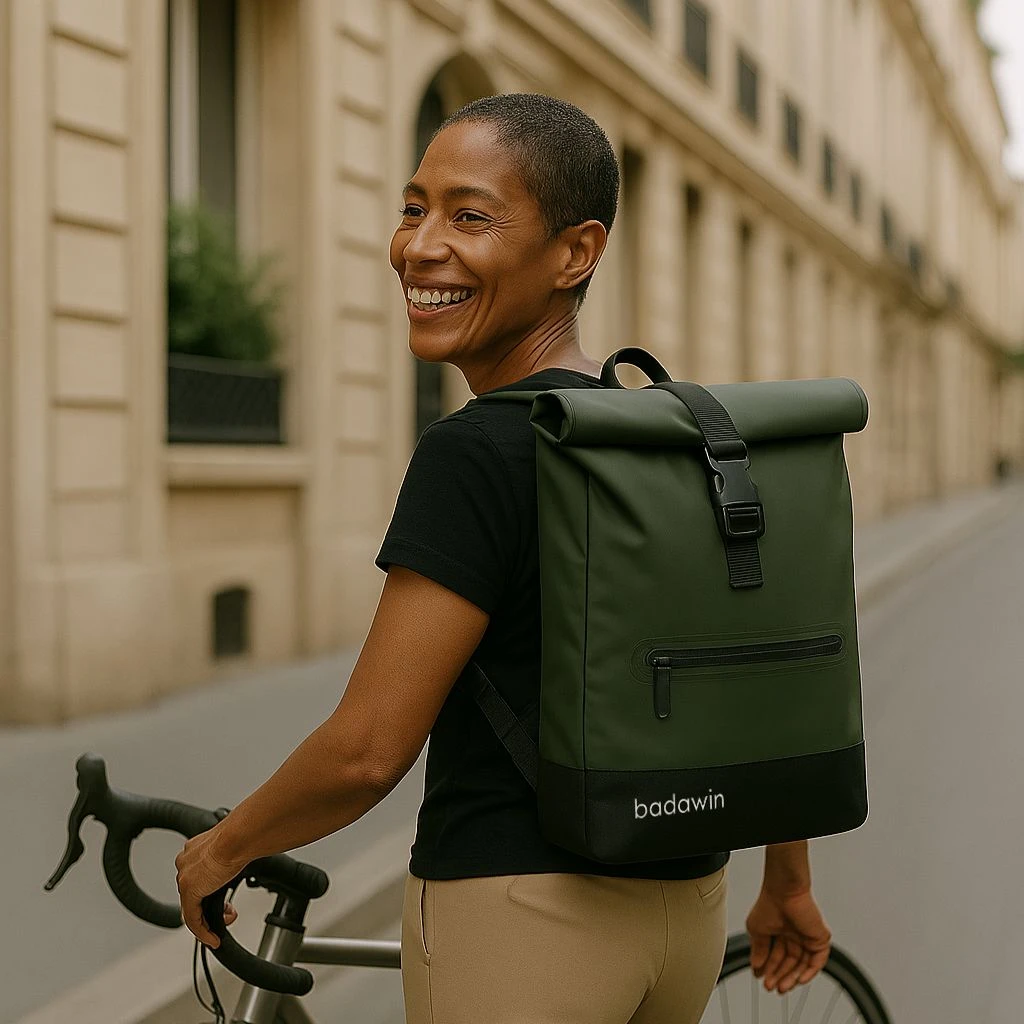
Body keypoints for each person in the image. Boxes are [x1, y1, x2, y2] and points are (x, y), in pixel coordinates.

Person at [175, 92, 833, 1023]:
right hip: (688, 914)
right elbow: (758, 669)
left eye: (470, 216)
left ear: (577, 251)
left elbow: (367, 750)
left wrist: (219, 850)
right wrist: (790, 879)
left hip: (523, 918)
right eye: (414, 208)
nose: (419, 246)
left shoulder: (476, 449)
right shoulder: (668, 438)